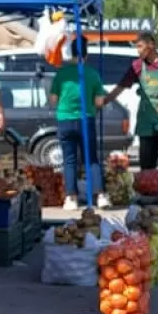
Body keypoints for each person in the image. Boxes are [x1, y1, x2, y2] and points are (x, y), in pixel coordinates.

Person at [48, 37, 112, 210]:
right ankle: (100, 196)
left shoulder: (61, 74)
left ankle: (71, 198)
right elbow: (99, 101)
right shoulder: (92, 74)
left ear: (71, 53)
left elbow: (53, 99)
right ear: (86, 54)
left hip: (65, 121)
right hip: (86, 119)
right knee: (91, 159)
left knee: (69, 160)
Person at [105, 31, 158, 172]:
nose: (138, 50)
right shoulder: (137, 66)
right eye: (136, 47)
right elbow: (121, 87)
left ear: (151, 44)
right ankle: (150, 192)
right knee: (147, 164)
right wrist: (104, 101)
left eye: (140, 46)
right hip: (146, 121)